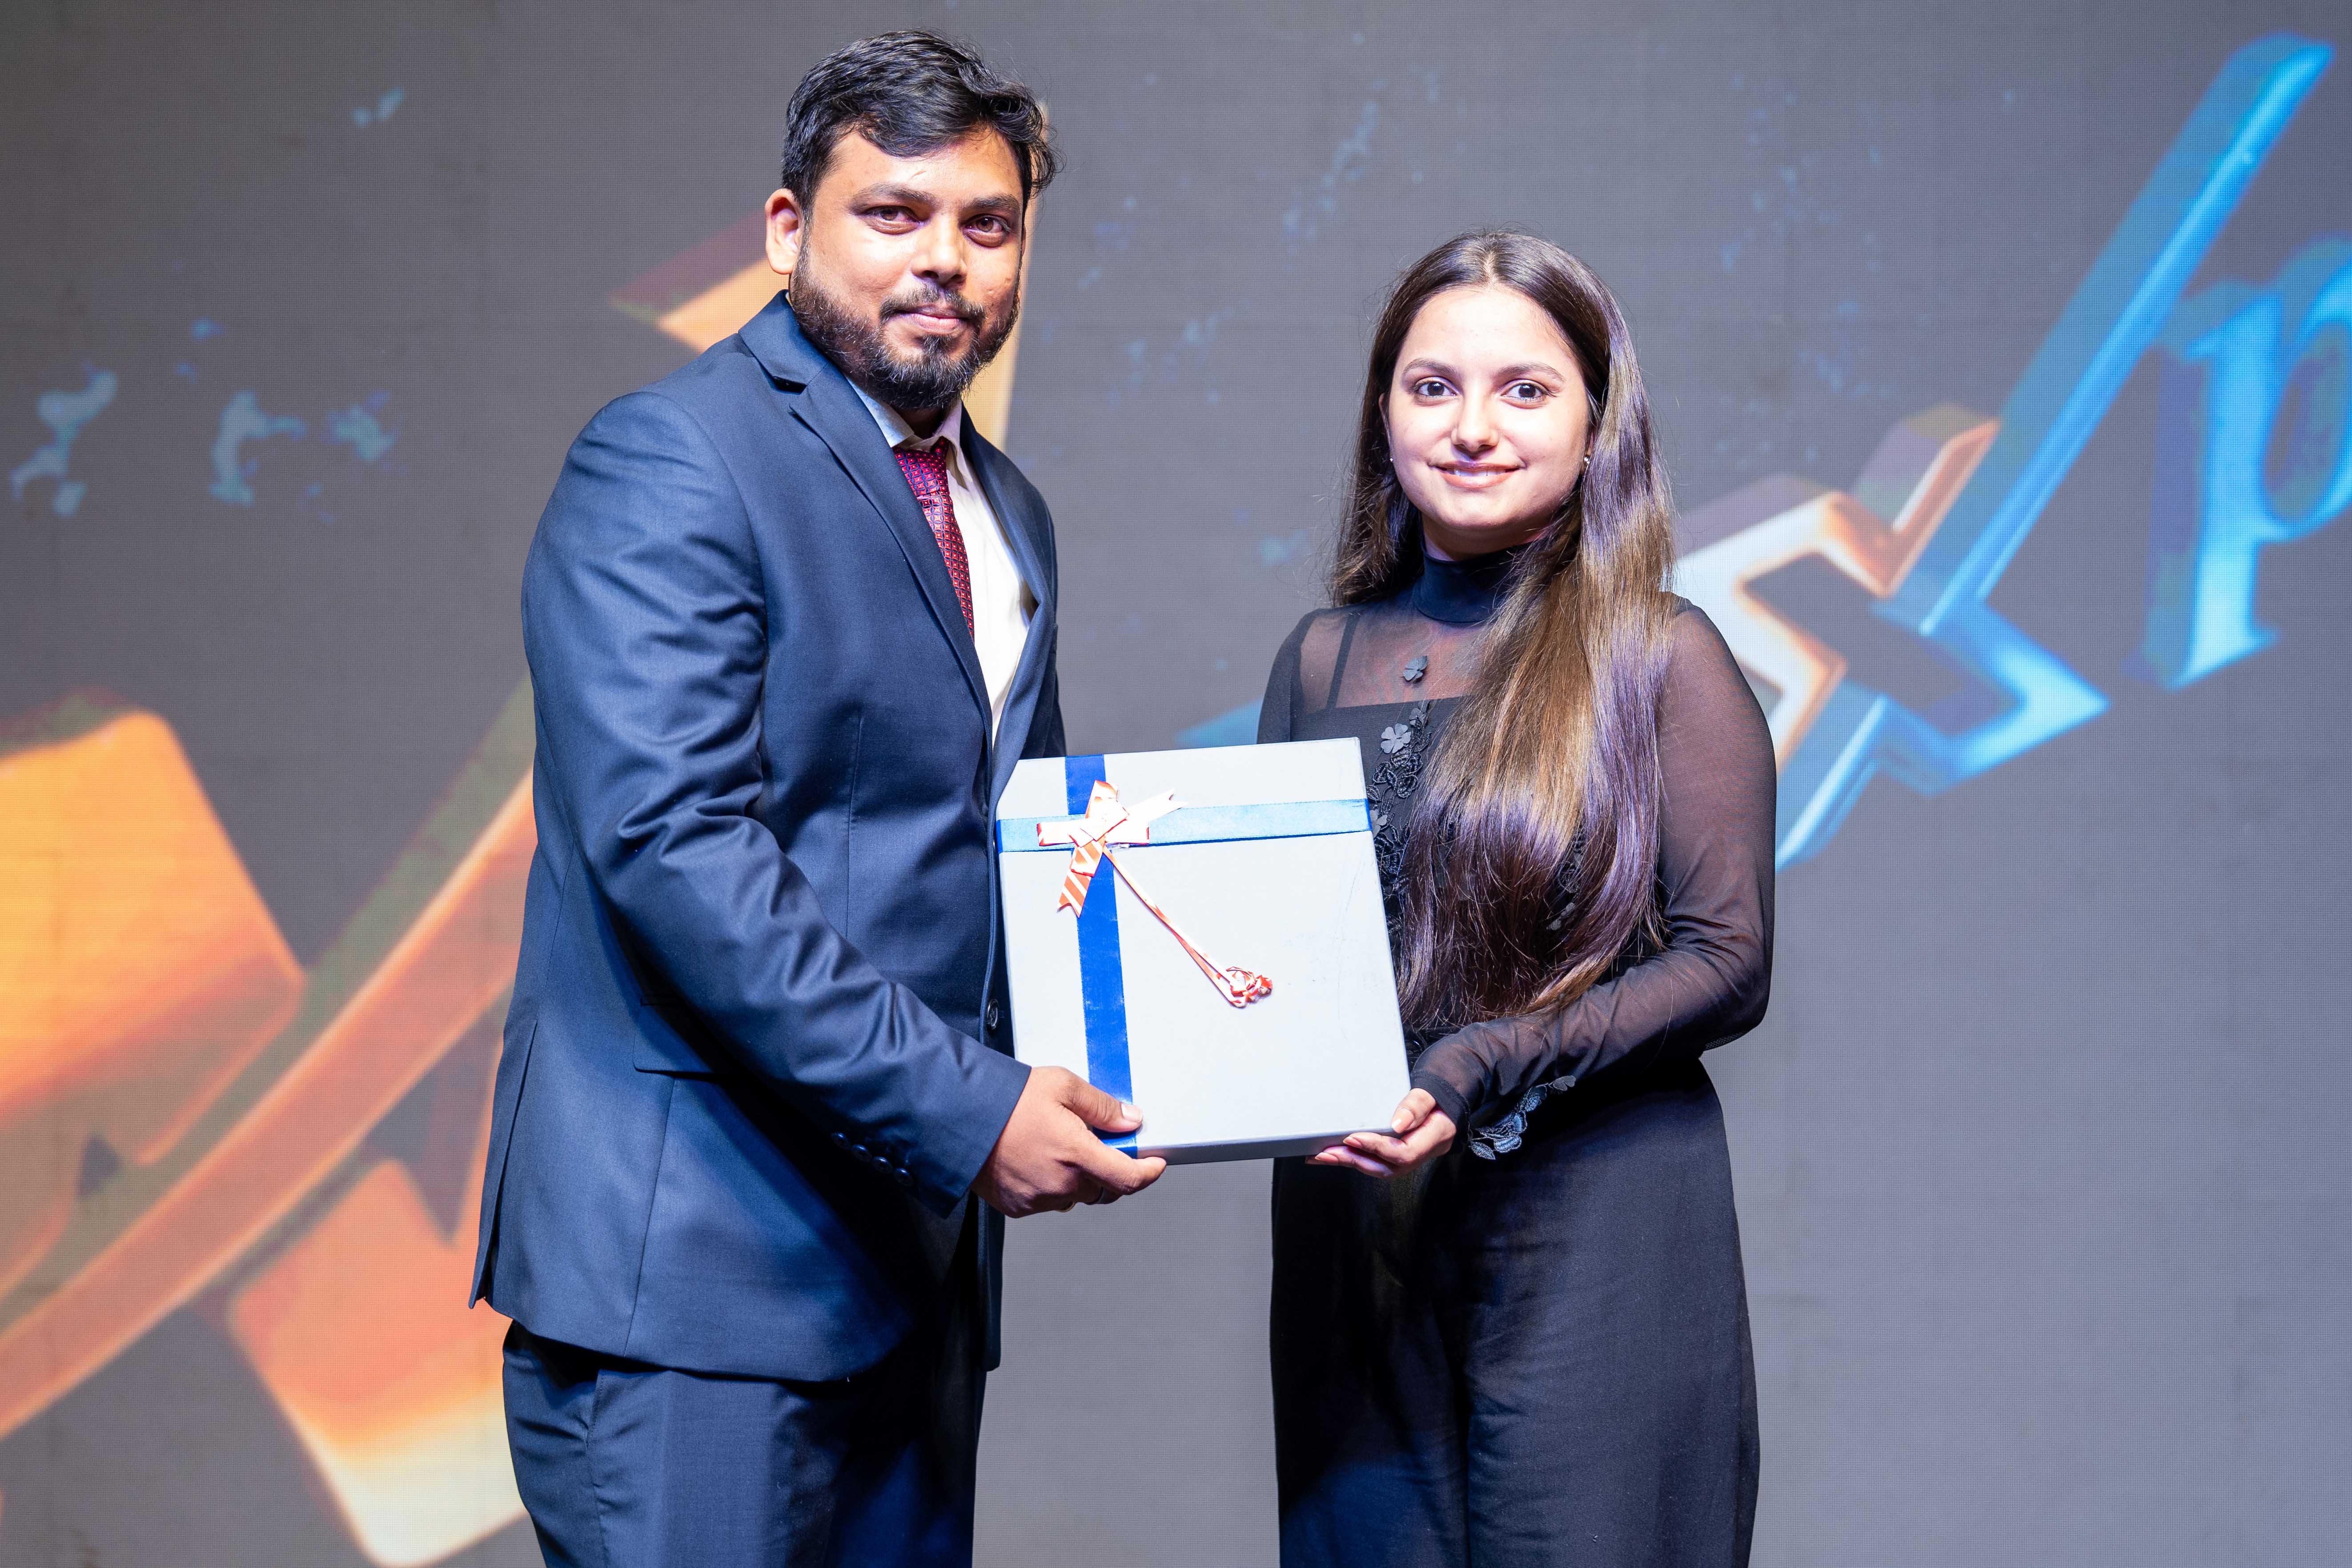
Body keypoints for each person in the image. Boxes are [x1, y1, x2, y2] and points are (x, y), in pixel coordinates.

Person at [471, 32, 1167, 1567]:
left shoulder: (1007, 509)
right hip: (695, 1289)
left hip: (915, 1284)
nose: (945, 260)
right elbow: (675, 853)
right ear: (788, 230)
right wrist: (974, 1109)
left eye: (987, 225)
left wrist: (1250, 1042)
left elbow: (1019, 849)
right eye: (893, 214)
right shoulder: (672, 458)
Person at [1260, 231, 1775, 1567]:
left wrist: (1487, 1059)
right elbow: (1273, 947)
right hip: (1359, 1238)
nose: (1473, 428)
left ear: (1599, 420)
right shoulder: (1319, 659)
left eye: (1524, 390)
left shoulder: (1660, 656)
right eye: (1432, 387)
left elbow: (1727, 959)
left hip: (1598, 1231)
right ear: (1382, 415)